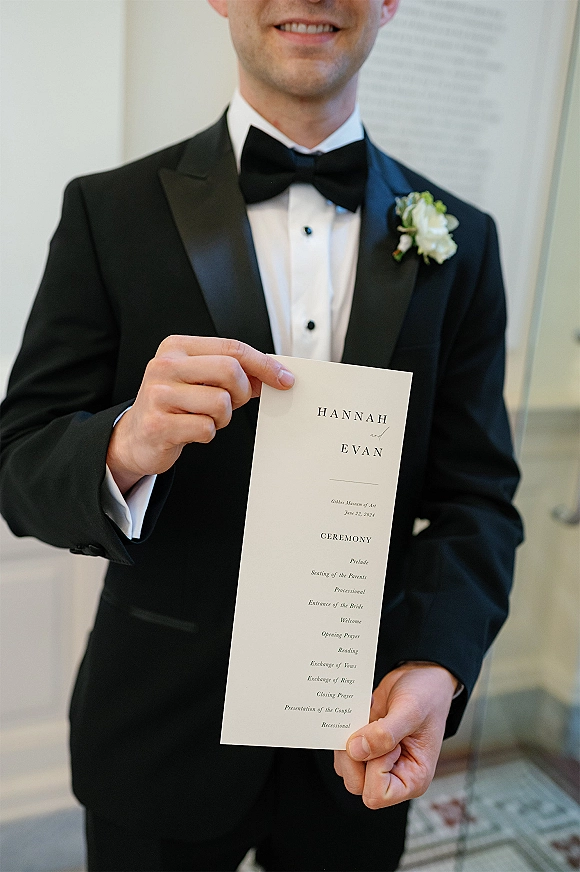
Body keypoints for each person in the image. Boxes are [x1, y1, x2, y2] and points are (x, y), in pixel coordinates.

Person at [0, 1, 523, 870]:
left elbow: (478, 500)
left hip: (364, 736)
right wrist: (123, 446)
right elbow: (16, 462)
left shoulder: (463, 239)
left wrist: (437, 662)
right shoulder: (107, 209)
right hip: (158, 734)